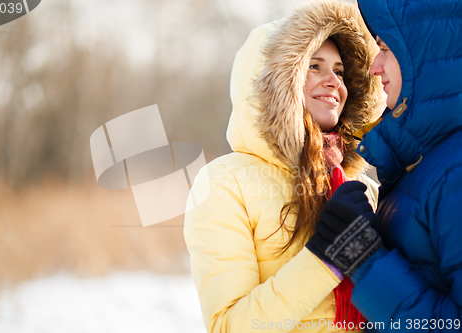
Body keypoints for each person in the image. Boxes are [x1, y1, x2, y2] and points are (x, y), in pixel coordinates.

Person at [183, 0, 383, 332]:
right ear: (276, 82)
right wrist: (325, 258)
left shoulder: (359, 184)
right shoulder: (224, 183)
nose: (333, 81)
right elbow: (229, 326)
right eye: (314, 66)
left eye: (339, 71)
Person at [306, 0, 462, 331]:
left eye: (386, 48)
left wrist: (365, 259)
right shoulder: (421, 164)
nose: (375, 66)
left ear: (423, 55)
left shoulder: (454, 173)